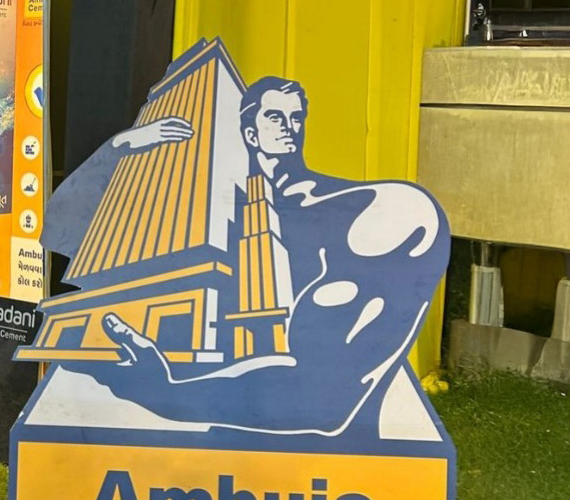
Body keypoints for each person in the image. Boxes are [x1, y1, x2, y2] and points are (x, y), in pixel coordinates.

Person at [41, 76, 450, 436]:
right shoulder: (212, 220)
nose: (289, 127)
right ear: (251, 134)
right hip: (202, 460)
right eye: (275, 117)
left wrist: (165, 391)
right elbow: (62, 231)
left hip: (316, 474)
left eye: (296, 118)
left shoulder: (376, 213)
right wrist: (122, 146)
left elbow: (323, 403)